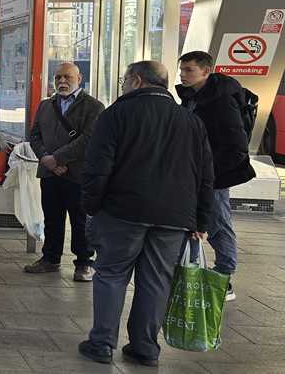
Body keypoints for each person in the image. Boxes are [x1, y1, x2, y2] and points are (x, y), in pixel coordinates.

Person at [79, 61, 213, 367]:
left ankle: (102, 344)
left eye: (125, 80)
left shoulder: (116, 114)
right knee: (156, 281)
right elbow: (205, 175)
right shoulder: (190, 121)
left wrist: (91, 205)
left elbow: (98, 166)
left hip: (122, 211)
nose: (123, 85)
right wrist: (201, 219)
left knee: (111, 274)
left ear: (137, 80)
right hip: (174, 216)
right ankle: (145, 348)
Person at [177, 50, 255, 302]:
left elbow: (236, 145)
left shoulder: (221, 100)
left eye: (189, 70)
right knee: (194, 222)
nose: (183, 74)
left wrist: (210, 175)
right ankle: (191, 269)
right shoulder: (192, 96)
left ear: (206, 71)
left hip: (214, 176)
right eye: (182, 69)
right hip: (195, 173)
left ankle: (224, 276)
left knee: (217, 223)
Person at [25, 62, 105, 282]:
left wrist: (57, 158)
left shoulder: (94, 106)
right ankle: (50, 258)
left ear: (79, 79)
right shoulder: (46, 105)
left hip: (77, 174)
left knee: (80, 220)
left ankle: (84, 262)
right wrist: (47, 159)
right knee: (52, 217)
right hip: (50, 173)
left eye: (67, 77)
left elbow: (89, 139)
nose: (62, 81)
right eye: (58, 77)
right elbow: (35, 135)